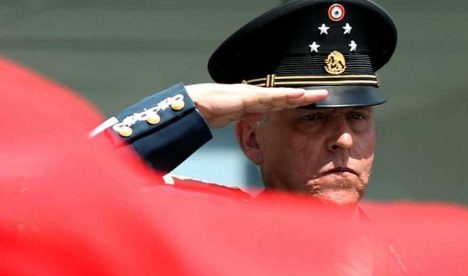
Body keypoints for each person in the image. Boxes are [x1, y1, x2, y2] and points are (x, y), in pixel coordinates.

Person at [91, 0, 397, 205]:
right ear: (251, 139)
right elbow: (76, 184)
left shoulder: (413, 258)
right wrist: (193, 106)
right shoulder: (209, 234)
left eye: (357, 117)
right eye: (312, 117)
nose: (344, 139)